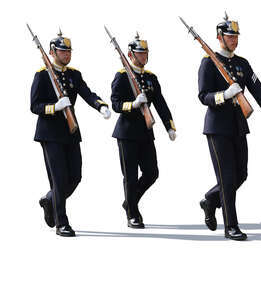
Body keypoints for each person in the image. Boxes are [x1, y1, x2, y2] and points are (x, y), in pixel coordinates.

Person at [198, 14, 261, 240]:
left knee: (241, 175)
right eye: (229, 36)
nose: (234, 40)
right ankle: (230, 226)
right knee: (226, 177)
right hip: (217, 127)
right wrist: (224, 95)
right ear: (219, 37)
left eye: (235, 36)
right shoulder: (208, 62)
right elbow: (203, 96)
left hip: (238, 126)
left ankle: (211, 200)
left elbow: (257, 88)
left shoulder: (242, 64)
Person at [30, 30, 111, 237]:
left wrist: (100, 105)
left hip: (70, 131)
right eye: (62, 51)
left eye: (68, 51)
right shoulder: (42, 74)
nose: (67, 54)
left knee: (75, 176)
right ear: (52, 52)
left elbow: (86, 92)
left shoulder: (74, 74)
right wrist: (54, 107)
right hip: (49, 133)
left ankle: (50, 200)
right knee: (59, 178)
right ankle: (61, 222)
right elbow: (34, 105)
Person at [111, 33, 176, 228]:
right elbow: (115, 104)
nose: (144, 56)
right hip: (127, 133)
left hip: (146, 132)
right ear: (131, 55)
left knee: (152, 173)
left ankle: (129, 201)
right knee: (130, 176)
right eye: (140, 53)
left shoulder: (150, 78)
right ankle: (133, 213)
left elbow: (161, 104)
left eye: (145, 53)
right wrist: (133, 104)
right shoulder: (122, 76)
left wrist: (169, 126)